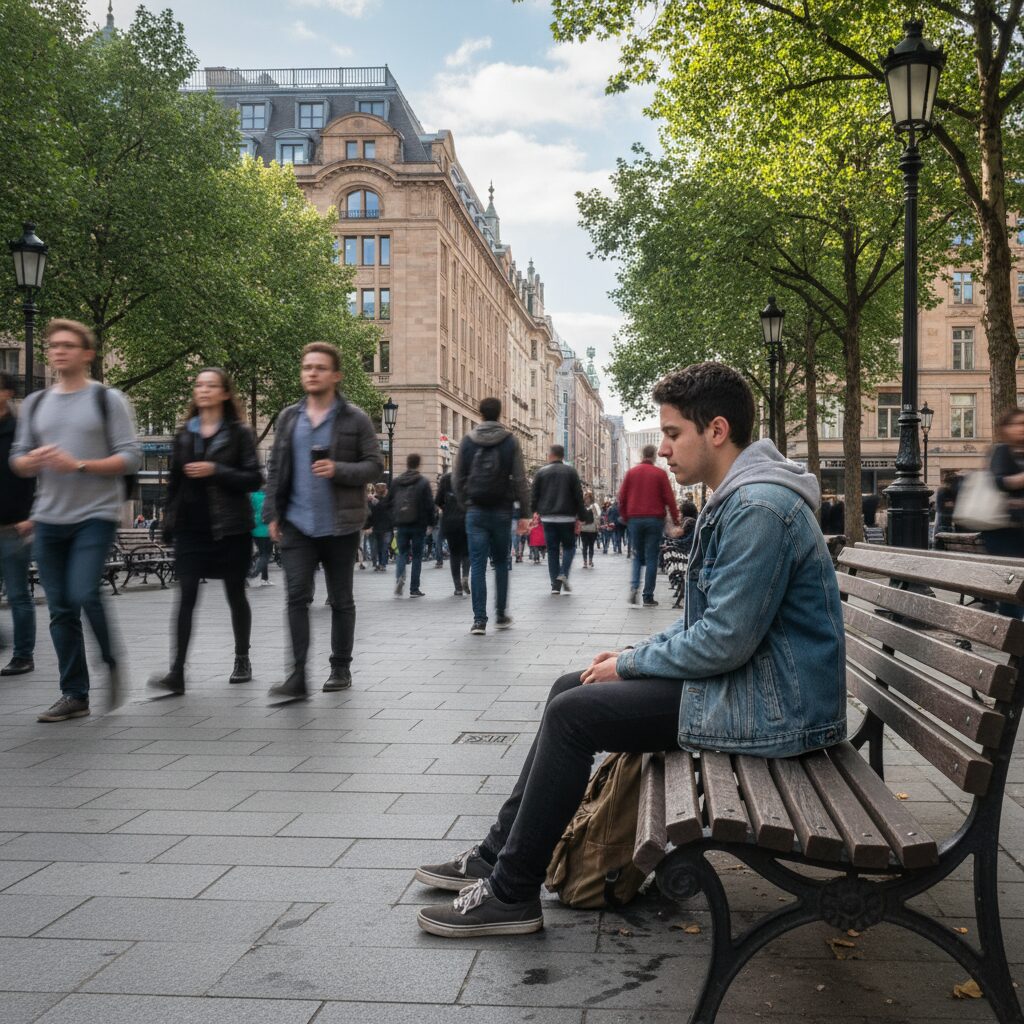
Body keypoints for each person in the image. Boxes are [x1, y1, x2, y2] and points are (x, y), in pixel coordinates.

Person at [414, 361, 846, 938]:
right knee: (571, 687)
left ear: (716, 431)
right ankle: (498, 856)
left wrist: (632, 664)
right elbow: (714, 625)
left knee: (573, 717)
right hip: (759, 687)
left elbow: (724, 640)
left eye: (672, 433)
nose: (663, 449)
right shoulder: (741, 497)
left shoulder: (759, 508)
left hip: (778, 710)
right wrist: (629, 655)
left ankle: (512, 893)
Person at [10, 318, 141, 722]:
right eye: (54, 345)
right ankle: (74, 694)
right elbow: (17, 458)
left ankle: (111, 661)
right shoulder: (34, 404)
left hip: (95, 516)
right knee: (61, 609)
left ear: (88, 354)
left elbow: (130, 456)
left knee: (84, 592)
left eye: (68, 344)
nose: (58, 350)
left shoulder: (108, 399)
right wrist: (28, 461)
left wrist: (79, 464)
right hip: (49, 518)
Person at [263, 342, 383, 698]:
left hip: (341, 524)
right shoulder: (288, 418)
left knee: (340, 599)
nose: (311, 372)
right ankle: (297, 675)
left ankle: (340, 667)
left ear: (336, 375)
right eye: (307, 367)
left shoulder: (355, 418)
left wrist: (338, 469)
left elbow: (375, 466)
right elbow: (275, 470)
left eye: (319, 367)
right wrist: (272, 512)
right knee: (296, 598)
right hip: (297, 523)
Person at [149, 369, 261, 694]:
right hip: (192, 528)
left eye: (211, 385)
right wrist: (168, 520)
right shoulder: (185, 433)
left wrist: (217, 470)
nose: (204, 390)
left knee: (235, 595)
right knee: (185, 598)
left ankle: (242, 658)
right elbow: (175, 482)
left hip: (230, 528)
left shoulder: (239, 432)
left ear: (225, 393)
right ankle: (177, 672)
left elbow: (254, 478)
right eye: (199, 385)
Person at [454, 397, 530, 635]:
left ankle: (479, 620)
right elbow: (520, 479)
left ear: (479, 412)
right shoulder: (510, 441)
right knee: (500, 563)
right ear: (500, 413)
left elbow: (457, 478)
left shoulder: (468, 441)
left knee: (477, 564)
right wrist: (525, 513)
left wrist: (466, 504)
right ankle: (500, 614)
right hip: (502, 510)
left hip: (475, 509)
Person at [0, 372, 36, 677]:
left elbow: (34, 475)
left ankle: (23, 655)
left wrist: (31, 515)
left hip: (14, 525)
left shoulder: (20, 431)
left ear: (7, 393)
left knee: (17, 593)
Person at [618, 443, 680, 607]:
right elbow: (669, 499)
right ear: (654, 456)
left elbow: (622, 497)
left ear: (641, 455)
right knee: (652, 557)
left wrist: (625, 517)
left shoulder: (631, 473)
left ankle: (634, 587)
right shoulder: (660, 474)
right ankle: (648, 596)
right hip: (654, 519)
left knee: (638, 556)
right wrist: (676, 520)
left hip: (635, 519)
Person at [982, 408, 1024, 618]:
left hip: (1019, 529)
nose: (1022, 429)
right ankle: (1016, 641)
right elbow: (998, 481)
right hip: (1004, 531)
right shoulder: (1001, 451)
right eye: (1018, 424)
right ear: (1005, 429)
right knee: (1012, 586)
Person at [529, 444, 585, 596]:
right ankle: (564, 573)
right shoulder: (571, 472)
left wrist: (534, 511)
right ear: (563, 456)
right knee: (569, 547)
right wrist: (582, 516)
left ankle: (555, 585)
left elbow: (534, 495)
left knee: (552, 550)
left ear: (550, 455)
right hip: (567, 516)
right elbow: (578, 496)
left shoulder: (541, 472)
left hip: (548, 517)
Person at [390, 453, 435, 598]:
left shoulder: (397, 481)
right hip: (418, 524)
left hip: (401, 522)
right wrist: (432, 523)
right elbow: (429, 505)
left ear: (407, 463)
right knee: (416, 556)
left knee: (402, 553)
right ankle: (414, 589)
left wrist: (393, 520)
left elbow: (389, 501)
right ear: (419, 464)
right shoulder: (422, 482)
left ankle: (399, 578)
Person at [436, 468, 469, 596]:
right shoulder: (468, 478)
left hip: (450, 522)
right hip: (466, 520)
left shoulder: (445, 480)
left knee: (454, 554)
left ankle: (458, 587)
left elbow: (437, 501)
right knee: (467, 552)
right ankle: (465, 575)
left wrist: (447, 509)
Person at [250, 488, 274, 585]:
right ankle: (254, 573)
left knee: (262, 554)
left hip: (255, 529)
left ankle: (265, 578)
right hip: (266, 530)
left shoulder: (253, 496)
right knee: (266, 555)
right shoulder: (268, 496)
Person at [579, 489, 602, 568]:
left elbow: (598, 516)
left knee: (588, 545)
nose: (586, 500)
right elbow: (598, 515)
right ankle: (587, 561)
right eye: (586, 498)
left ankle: (588, 561)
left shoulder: (587, 506)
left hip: (588, 529)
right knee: (587, 546)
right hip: (587, 529)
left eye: (587, 498)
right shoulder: (593, 506)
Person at [934, 470, 960, 535]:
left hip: (945, 524)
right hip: (944, 525)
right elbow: (942, 508)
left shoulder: (945, 491)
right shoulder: (943, 491)